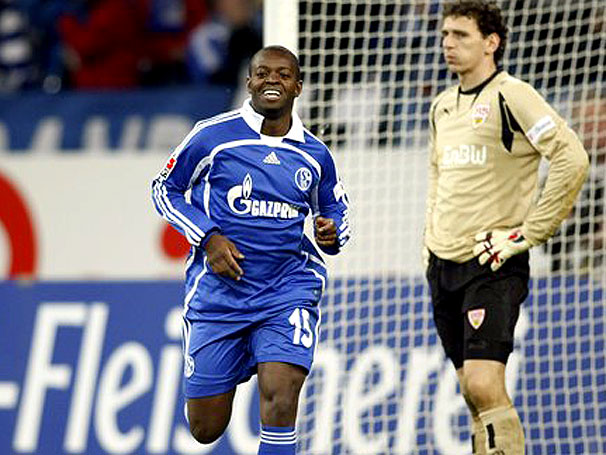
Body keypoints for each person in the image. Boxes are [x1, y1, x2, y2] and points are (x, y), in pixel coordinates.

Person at [151, 45, 351, 454]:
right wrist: (208, 237)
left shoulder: (314, 154)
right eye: (262, 73)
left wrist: (332, 234)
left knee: (281, 396)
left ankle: (268, 351)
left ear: (298, 86)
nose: (271, 80)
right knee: (205, 427)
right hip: (220, 297)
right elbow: (164, 189)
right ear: (249, 83)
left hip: (286, 289)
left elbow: (335, 208)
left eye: (282, 74)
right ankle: (240, 355)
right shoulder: (212, 136)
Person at [423, 1, 589, 454]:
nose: (448, 44)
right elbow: (438, 177)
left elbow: (572, 157)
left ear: (491, 43)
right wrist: (427, 246)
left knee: (483, 383)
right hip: (443, 263)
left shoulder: (512, 95)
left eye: (461, 35)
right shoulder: (442, 106)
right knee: (470, 391)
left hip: (491, 261)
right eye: (445, 34)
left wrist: (528, 233)